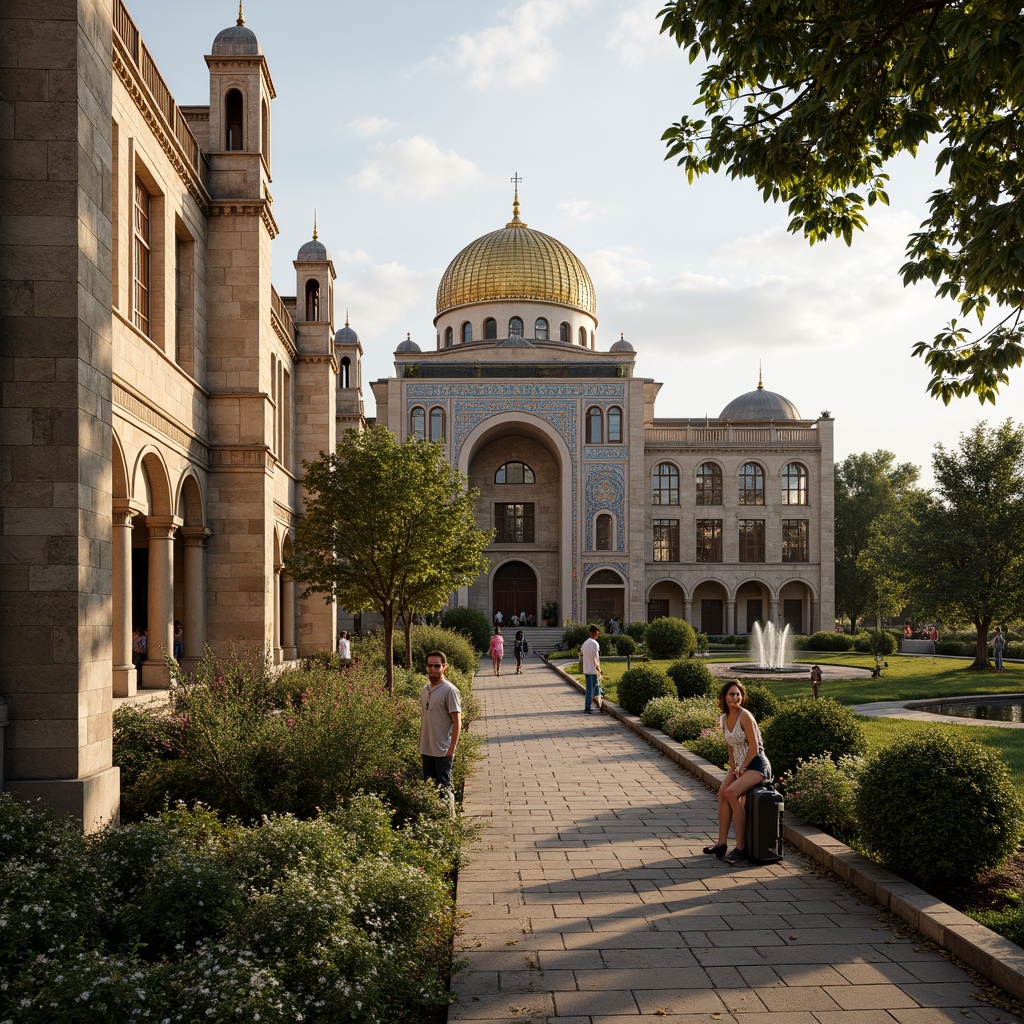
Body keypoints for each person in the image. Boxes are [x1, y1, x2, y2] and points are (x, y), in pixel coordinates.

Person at [704, 680, 771, 865]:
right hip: (740, 766)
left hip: (756, 765)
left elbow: (755, 748)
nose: (735, 697)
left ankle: (740, 848)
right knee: (721, 794)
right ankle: (721, 843)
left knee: (731, 793)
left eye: (738, 694)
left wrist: (743, 768)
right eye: (731, 694)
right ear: (724, 697)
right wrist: (733, 766)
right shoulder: (724, 719)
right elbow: (730, 746)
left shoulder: (745, 716)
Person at [419, 650, 461, 817]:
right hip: (426, 748)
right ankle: (434, 821)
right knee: (430, 789)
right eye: (430, 665)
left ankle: (449, 823)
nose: (433, 669)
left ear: (445, 667)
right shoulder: (424, 689)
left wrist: (451, 749)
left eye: (437, 665)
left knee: (444, 788)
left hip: (443, 749)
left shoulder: (450, 690)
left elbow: (457, 721)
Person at [580, 624, 601, 714]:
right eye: (597, 632)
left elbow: (581, 653)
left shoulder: (585, 643)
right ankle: (591, 706)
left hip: (586, 669)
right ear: (595, 632)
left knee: (589, 688)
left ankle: (588, 705)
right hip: (593, 670)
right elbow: (595, 658)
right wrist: (598, 668)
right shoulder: (595, 644)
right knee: (593, 689)